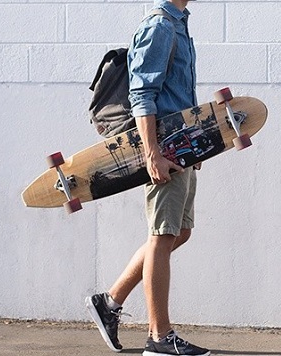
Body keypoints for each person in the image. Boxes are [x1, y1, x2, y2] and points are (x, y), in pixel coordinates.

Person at [86, 0, 209, 355]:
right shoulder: (160, 26)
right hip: (164, 148)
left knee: (179, 232)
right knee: (162, 234)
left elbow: (181, 91)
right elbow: (142, 93)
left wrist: (198, 144)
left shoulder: (179, 23)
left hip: (182, 145)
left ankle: (110, 302)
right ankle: (159, 338)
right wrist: (152, 151)